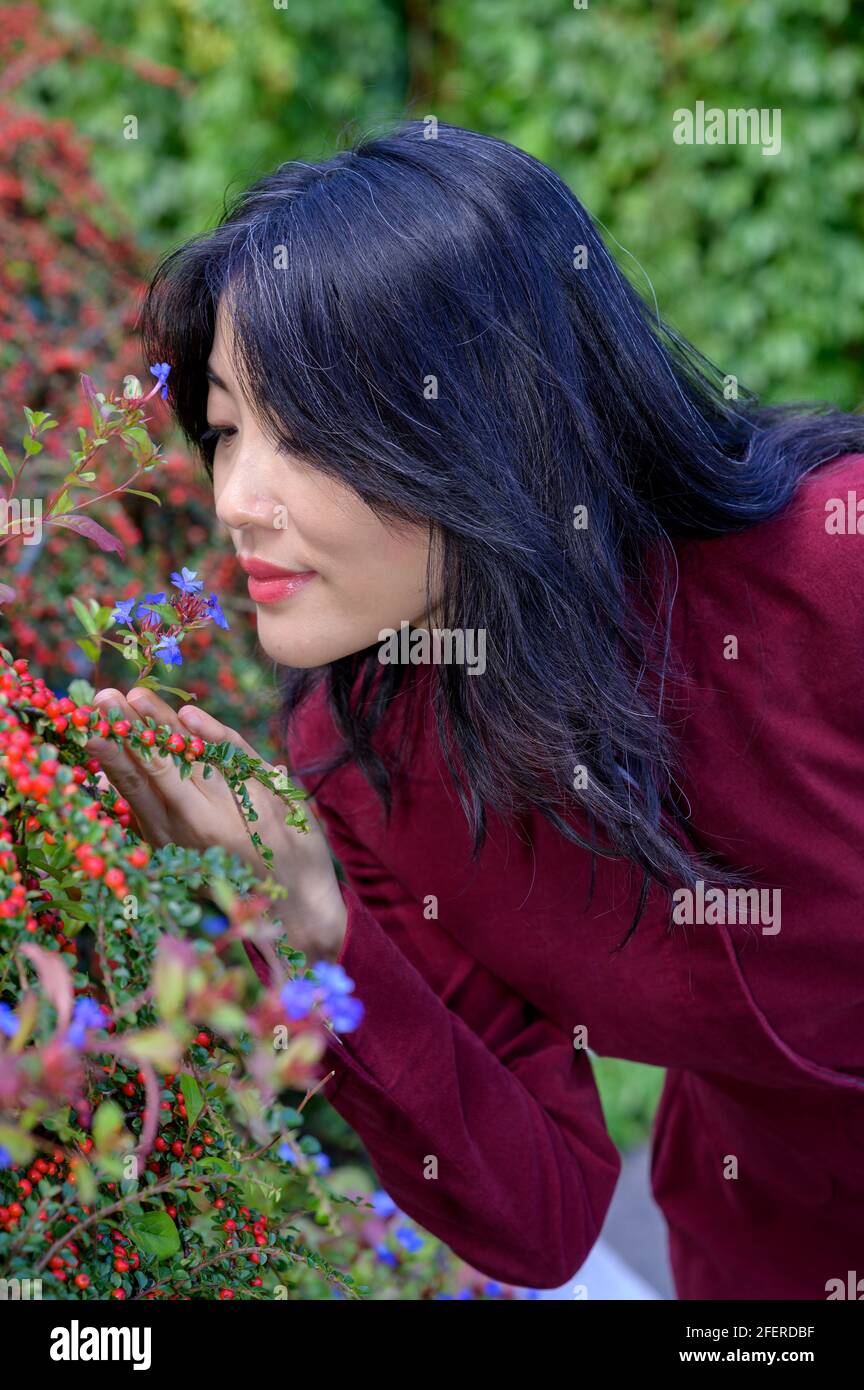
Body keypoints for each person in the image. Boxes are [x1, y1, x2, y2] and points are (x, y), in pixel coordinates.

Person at [90, 121, 864, 1300]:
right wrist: (314, 919)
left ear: (482, 413)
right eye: (229, 429)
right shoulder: (364, 760)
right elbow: (544, 1218)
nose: (237, 499)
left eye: (297, 428)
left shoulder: (829, 570)